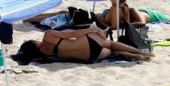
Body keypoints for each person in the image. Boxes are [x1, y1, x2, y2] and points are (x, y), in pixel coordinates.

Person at [16, 27, 153, 63]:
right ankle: (139, 52)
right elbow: (72, 34)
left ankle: (132, 56)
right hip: (87, 41)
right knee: (110, 43)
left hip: (90, 56)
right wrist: (92, 30)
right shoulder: (48, 35)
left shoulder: (45, 56)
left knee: (111, 52)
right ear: (33, 42)